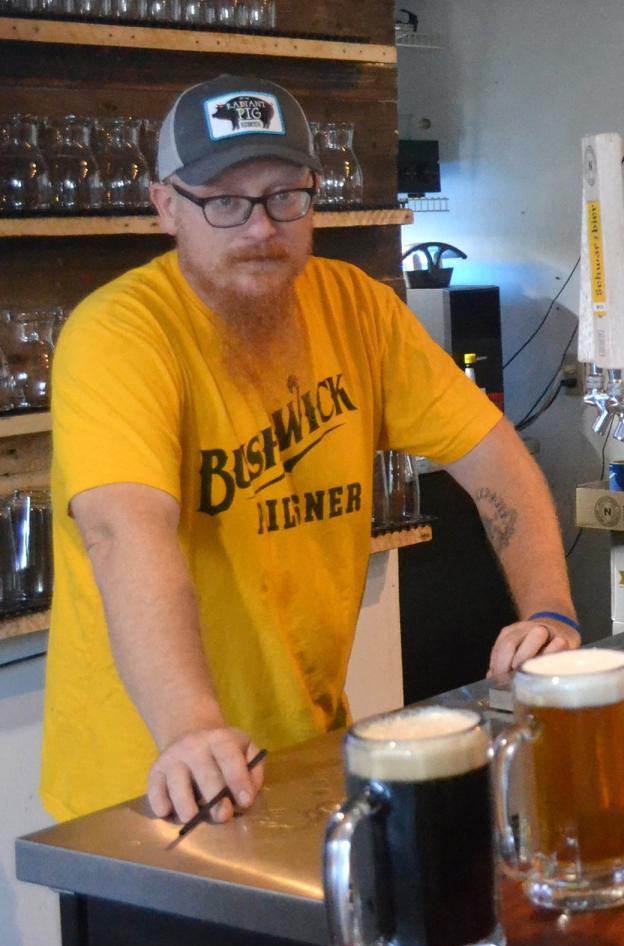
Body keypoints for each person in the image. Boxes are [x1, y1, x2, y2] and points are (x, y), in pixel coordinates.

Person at [40, 75, 580, 825]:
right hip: (155, 781)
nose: (261, 227)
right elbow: (121, 529)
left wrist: (551, 611)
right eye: (224, 201)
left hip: (302, 757)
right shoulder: (121, 336)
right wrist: (192, 726)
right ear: (166, 205)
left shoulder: (357, 307)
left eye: (284, 195)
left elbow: (492, 456)